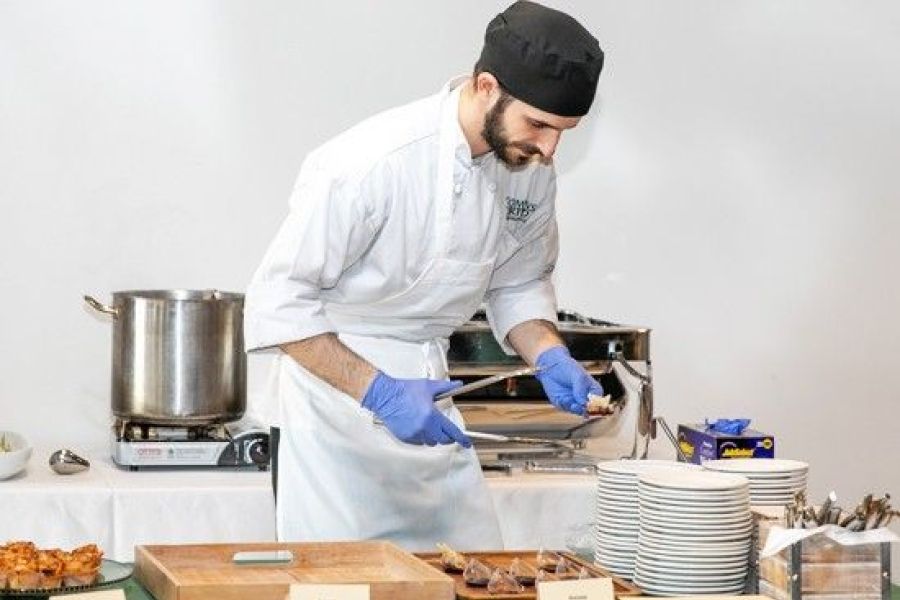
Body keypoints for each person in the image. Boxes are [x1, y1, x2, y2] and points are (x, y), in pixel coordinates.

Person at [244, 0, 605, 551]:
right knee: (346, 584)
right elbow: (277, 303)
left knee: (466, 574)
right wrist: (381, 394)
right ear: (486, 86)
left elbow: (519, 284)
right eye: (538, 124)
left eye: (564, 131)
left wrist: (548, 353)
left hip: (431, 401)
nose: (549, 147)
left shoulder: (529, 169)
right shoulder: (371, 163)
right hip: (332, 414)